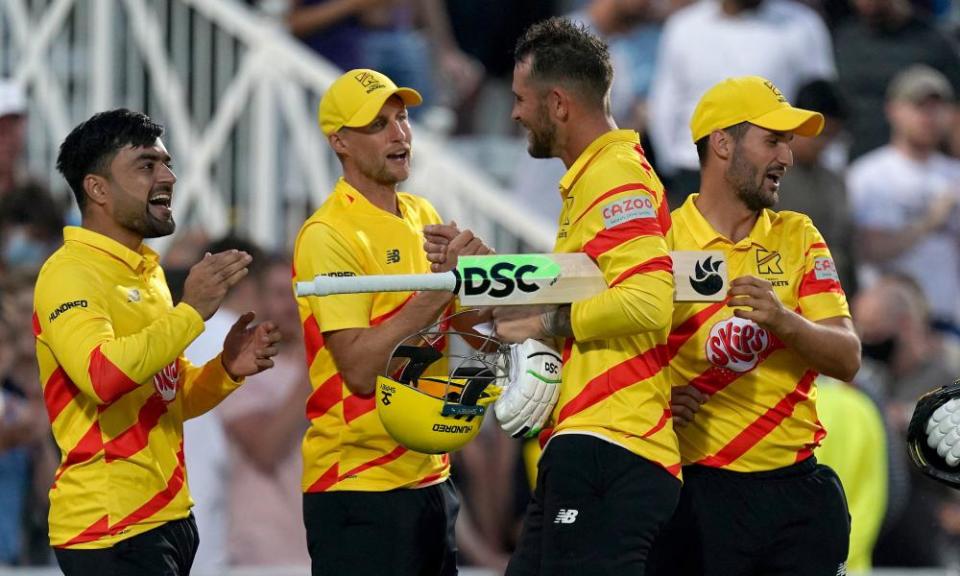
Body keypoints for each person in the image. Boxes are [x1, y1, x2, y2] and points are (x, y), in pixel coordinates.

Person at [428, 17, 682, 574]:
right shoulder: (594, 179)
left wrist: (545, 320)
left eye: (522, 99)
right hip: (592, 441)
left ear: (559, 104)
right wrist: (485, 269)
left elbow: (647, 302)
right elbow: (581, 289)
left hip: (614, 443)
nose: (514, 112)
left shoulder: (615, 178)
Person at [33, 109, 282, 576]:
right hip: (108, 526)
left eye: (166, 163)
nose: (168, 176)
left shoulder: (147, 275)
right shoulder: (69, 273)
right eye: (146, 165)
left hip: (167, 518)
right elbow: (103, 378)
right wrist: (191, 312)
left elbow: (168, 398)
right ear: (98, 189)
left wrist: (225, 370)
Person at [647, 76, 861, 576]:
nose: (787, 157)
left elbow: (848, 357)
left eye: (788, 142)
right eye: (773, 140)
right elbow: (614, 356)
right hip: (694, 489)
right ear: (722, 143)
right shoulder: (660, 242)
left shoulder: (799, 235)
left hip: (797, 494)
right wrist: (654, 398)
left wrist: (783, 320)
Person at [293, 68, 488, 575]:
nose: (399, 133)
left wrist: (481, 284)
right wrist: (442, 288)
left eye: (402, 118)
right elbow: (357, 370)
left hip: (431, 475)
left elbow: (465, 337)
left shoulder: (422, 212)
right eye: (377, 124)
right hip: (357, 485)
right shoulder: (327, 233)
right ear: (339, 141)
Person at [647, 0, 834, 206]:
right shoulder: (683, 26)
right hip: (693, 168)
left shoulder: (802, 26)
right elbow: (666, 102)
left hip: (770, 172)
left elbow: (823, 102)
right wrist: (670, 169)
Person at [847, 65, 960, 338]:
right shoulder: (869, 174)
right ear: (893, 109)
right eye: (919, 106)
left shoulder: (954, 173)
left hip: (949, 319)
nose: (929, 117)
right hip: (892, 329)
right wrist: (930, 221)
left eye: (937, 107)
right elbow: (870, 249)